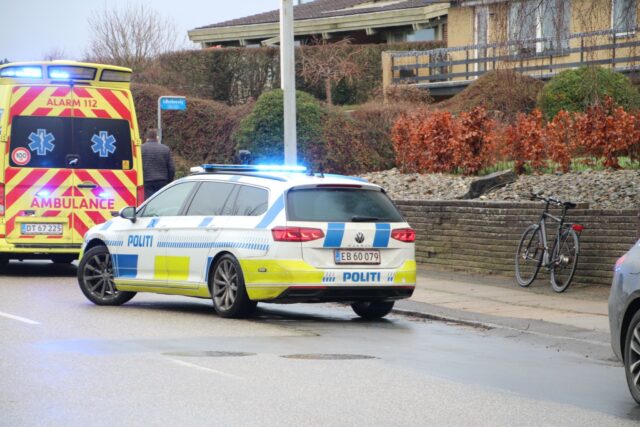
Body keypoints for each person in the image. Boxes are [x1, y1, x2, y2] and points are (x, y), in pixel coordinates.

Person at [141, 128, 175, 200]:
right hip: (162, 181)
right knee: (161, 202)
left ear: (146, 138)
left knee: (148, 203)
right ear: (157, 137)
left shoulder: (141, 149)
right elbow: (171, 168)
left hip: (147, 181)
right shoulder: (165, 149)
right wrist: (169, 181)